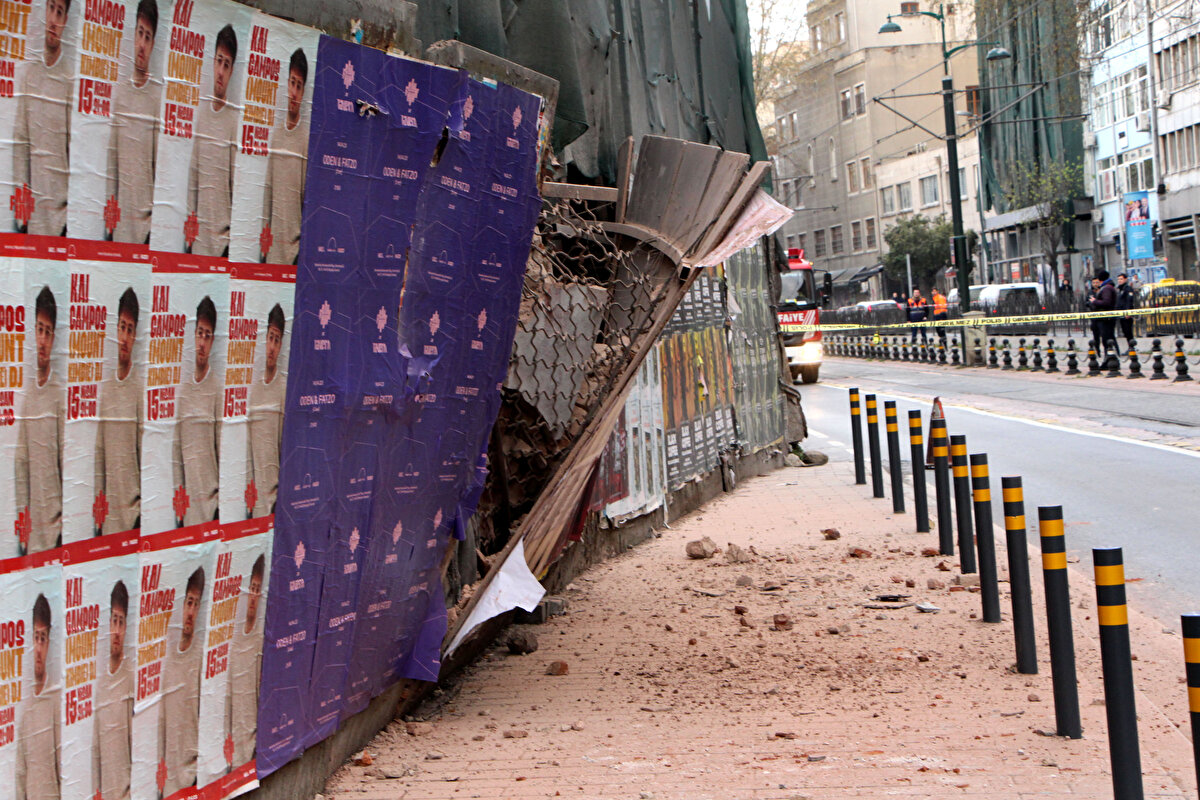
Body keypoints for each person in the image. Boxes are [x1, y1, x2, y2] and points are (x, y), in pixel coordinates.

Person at [12, 0, 72, 235]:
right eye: (51, 8)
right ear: (44, 10)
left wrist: (67, 219)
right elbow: (20, 143)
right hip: (31, 221)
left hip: (61, 224)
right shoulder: (29, 75)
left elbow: (74, 153)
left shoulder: (70, 80)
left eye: (60, 12)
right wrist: (22, 215)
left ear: (66, 20)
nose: (53, 20)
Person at [105, 0, 161, 244]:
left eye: (148, 37)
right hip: (118, 229)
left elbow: (160, 170)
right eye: (140, 33)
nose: (142, 43)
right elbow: (111, 163)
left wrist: (152, 225)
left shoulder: (158, 99)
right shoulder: (119, 94)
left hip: (146, 231)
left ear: (153, 44)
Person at [15, 286, 64, 553]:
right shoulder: (28, 394)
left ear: (54, 337)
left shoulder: (60, 395)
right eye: (39, 329)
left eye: (48, 331)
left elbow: (69, 464)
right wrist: (23, 531)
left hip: (58, 534)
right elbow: (20, 463)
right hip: (33, 539)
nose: (43, 339)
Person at [95, 288, 144, 535]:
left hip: (135, 520)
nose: (124, 337)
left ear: (136, 335)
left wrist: (139, 514)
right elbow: (99, 456)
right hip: (107, 523)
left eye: (130, 329)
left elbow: (147, 459)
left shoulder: (140, 389)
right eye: (121, 327)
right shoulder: (105, 389)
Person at [186, 24, 238, 256]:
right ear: (212, 62)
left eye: (226, 65)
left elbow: (236, 187)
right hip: (197, 244)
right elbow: (193, 178)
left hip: (223, 246)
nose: (220, 70)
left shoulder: (235, 121)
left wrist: (229, 242)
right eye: (218, 61)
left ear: (231, 71)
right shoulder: (200, 115)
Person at [173, 296, 221, 527]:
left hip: (212, 512)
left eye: (208, 335)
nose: (202, 342)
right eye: (199, 333)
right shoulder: (182, 393)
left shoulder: (218, 390)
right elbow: (176, 457)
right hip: (187, 517)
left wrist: (218, 508)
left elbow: (223, 453)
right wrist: (180, 513)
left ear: (213, 341)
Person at [260, 48, 309, 265]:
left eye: (299, 86)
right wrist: (264, 247)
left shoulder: (306, 139)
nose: (294, 92)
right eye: (292, 83)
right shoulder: (277, 135)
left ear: (304, 91)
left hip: (295, 253)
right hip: (272, 252)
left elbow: (307, 199)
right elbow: (268, 190)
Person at [160, 567, 204, 796]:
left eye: (196, 604)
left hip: (191, 777)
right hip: (163, 780)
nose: (191, 611)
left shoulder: (202, 656)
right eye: (189, 602)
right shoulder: (165, 657)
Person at [16, 593, 61, 800]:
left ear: (49, 641)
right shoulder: (24, 709)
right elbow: (20, 776)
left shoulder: (56, 701)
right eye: (36, 638)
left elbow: (64, 770)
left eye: (43, 639)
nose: (39, 648)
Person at [93, 581, 133, 800]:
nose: (117, 631)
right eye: (114, 622)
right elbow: (95, 750)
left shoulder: (132, 679)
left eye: (122, 622)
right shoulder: (99, 685)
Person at [246, 304, 286, 518]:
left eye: (277, 340)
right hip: (253, 504)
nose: (272, 346)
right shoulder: (253, 390)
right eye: (270, 338)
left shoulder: (283, 389)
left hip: (275, 505)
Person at [227, 554, 265, 766]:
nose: (253, 596)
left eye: (258, 590)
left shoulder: (262, 636)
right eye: (252, 588)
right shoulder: (233, 638)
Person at [1088, 270, 1118, 357]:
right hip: (1104, 318)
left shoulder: (1107, 288)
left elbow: (1106, 302)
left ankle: (1110, 358)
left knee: (1107, 339)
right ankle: (1109, 358)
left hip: (1106, 318)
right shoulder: (1107, 287)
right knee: (1108, 339)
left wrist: (1095, 301)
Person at [1116, 272, 1137, 353]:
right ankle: (1130, 347)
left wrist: (1128, 312)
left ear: (1125, 279)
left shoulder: (1127, 288)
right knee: (1125, 331)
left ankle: (1132, 347)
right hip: (1121, 314)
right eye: (1118, 279)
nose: (1119, 281)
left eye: (1121, 279)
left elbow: (1129, 300)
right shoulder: (1120, 289)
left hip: (1126, 314)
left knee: (1128, 331)